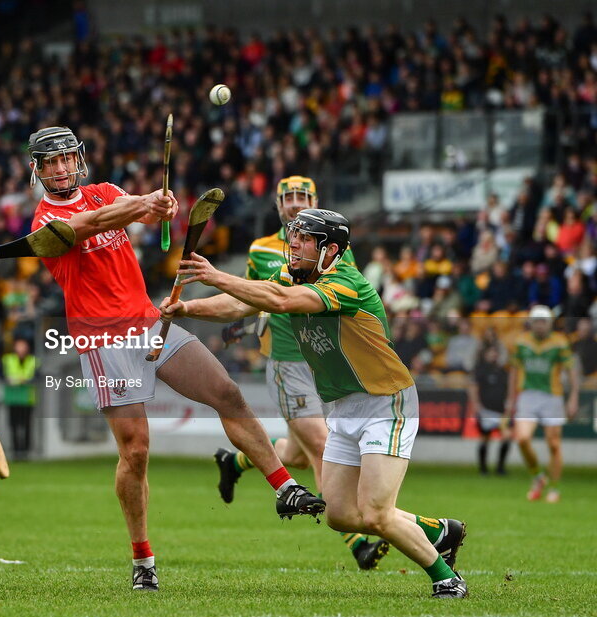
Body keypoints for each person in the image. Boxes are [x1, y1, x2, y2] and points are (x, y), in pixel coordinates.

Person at [28, 126, 324, 592]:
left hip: (148, 322)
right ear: (39, 170)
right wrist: (141, 202)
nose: (63, 168)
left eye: (68, 159)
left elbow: (136, 211)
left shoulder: (103, 190)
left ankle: (284, 486)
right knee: (137, 452)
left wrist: (160, 207)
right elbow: (94, 224)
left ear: (78, 159)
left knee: (225, 392)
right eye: (53, 162)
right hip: (102, 342)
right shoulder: (45, 224)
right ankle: (143, 559)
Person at [162, 209, 468, 598]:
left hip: (386, 404)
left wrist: (214, 274)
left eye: (306, 239)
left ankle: (446, 578)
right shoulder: (290, 274)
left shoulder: (345, 284)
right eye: (295, 236)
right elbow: (241, 307)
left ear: (331, 250)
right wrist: (189, 308)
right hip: (343, 407)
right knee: (340, 514)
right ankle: (440, 531)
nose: (295, 244)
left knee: (375, 513)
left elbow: (280, 301)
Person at [216, 176, 389, 570]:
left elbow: (343, 293)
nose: (295, 204)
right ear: (277, 205)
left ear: (315, 199)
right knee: (320, 444)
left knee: (295, 452)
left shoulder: (333, 248)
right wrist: (249, 320)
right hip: (288, 361)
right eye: (288, 198)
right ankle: (355, 538)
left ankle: (235, 462)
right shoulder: (260, 249)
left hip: (324, 359)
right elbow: (255, 291)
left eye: (303, 197)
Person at [505, 305, 579, 503]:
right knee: (522, 438)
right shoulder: (521, 342)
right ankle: (538, 476)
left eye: (543, 321)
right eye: (536, 321)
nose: (540, 325)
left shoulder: (560, 343)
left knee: (553, 444)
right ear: (531, 322)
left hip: (552, 396)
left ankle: (554, 488)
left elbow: (572, 371)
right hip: (528, 395)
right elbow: (514, 371)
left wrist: (573, 398)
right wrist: (511, 399)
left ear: (550, 323)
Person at [468, 345, 512, 475]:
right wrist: (477, 405)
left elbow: (508, 388)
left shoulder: (503, 371)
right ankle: (483, 468)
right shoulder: (481, 370)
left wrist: (509, 404)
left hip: (501, 411)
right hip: (486, 410)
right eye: (491, 352)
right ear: (485, 354)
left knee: (507, 437)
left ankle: (500, 468)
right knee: (485, 438)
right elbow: (473, 387)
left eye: (495, 352)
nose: (494, 355)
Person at [2, 337, 37, 459]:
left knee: (26, 425)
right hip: (13, 397)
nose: (21, 348)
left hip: (27, 398)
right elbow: (2, 375)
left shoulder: (33, 360)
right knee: (14, 425)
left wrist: (23, 380)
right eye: (19, 345)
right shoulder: (8, 360)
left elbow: (37, 376)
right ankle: (16, 451)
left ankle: (25, 451)